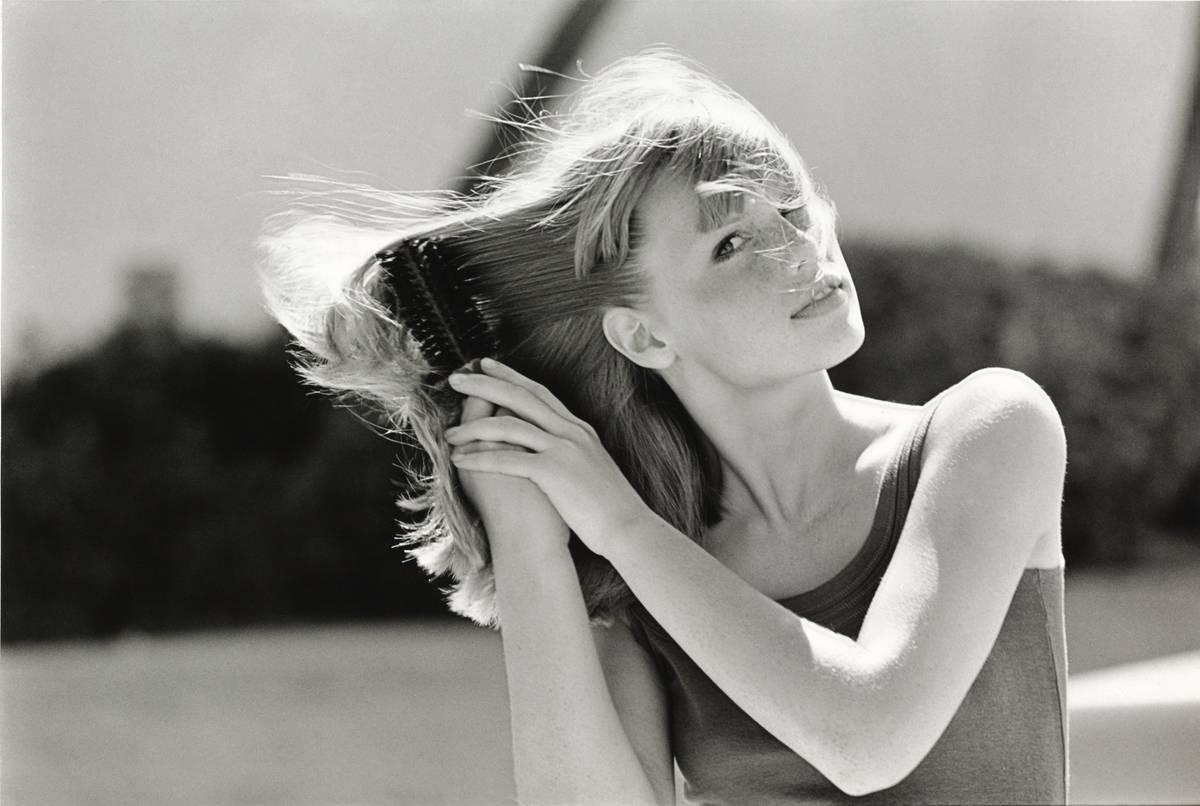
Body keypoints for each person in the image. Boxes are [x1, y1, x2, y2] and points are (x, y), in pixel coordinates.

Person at [259, 49, 1068, 805]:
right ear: (644, 336)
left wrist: (619, 523)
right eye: (731, 241)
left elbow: (867, 738)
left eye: (790, 206)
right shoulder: (642, 574)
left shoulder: (988, 432)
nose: (800, 248)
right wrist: (530, 543)